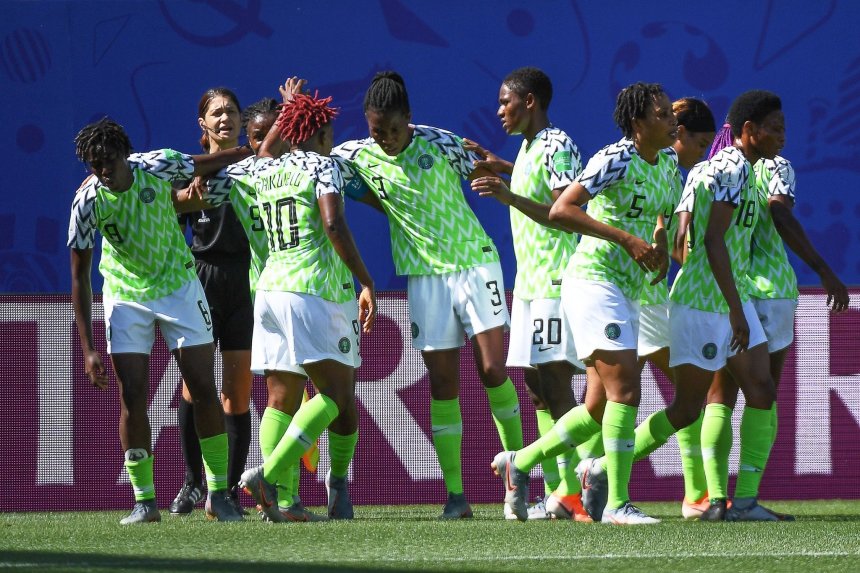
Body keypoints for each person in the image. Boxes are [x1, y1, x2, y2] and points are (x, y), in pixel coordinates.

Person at [579, 90, 785, 522]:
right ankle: (604, 468)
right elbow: (709, 241)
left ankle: (743, 501)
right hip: (705, 303)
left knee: (762, 389)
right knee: (689, 407)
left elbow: (681, 227)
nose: (782, 137)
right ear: (749, 131)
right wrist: (732, 308)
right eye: (775, 129)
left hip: (733, 296)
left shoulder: (736, 169)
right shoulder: (729, 166)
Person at [332, 71, 523, 519]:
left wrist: (505, 179)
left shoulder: (441, 142)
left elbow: (486, 169)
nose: (385, 140)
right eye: (377, 130)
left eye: (393, 130)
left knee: (493, 369)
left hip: (475, 264)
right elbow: (312, 164)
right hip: (424, 277)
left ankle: (521, 478)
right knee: (442, 383)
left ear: (409, 119)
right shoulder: (355, 155)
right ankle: (456, 497)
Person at [491, 82, 677, 524]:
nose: (673, 120)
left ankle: (520, 462)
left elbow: (660, 216)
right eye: (664, 114)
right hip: (593, 281)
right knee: (626, 388)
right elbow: (562, 210)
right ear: (638, 124)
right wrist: (627, 240)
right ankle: (617, 504)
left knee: (595, 408)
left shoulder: (668, 161)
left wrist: (660, 247)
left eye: (671, 113)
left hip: (628, 288)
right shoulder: (615, 158)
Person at [68, 117, 252, 523]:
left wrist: (255, 149)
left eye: (109, 163)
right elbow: (80, 276)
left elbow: (209, 163)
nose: (103, 172)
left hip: (179, 287)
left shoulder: (158, 166)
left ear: (125, 156)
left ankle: (219, 494)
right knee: (132, 395)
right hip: (127, 296)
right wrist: (88, 347)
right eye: (95, 166)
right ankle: (144, 501)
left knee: (203, 387)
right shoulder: (87, 201)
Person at [239, 91, 376, 524]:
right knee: (336, 396)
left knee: (281, 399)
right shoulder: (323, 164)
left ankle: (284, 503)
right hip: (311, 289)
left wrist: (292, 108)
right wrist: (367, 279)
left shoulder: (265, 168)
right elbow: (333, 223)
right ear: (317, 132)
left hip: (269, 290)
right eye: (329, 131)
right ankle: (270, 475)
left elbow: (263, 149)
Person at [465, 67, 589, 522]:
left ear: (530, 101)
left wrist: (508, 197)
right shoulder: (531, 147)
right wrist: (502, 166)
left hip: (556, 280)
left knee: (557, 386)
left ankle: (581, 490)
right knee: (538, 390)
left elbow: (566, 209)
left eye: (505, 102)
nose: (500, 110)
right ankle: (561, 491)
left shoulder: (557, 143)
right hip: (532, 284)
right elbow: (537, 180)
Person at [699, 149, 849, 519]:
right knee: (762, 394)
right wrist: (822, 268)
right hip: (771, 290)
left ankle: (716, 500)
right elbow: (779, 213)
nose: (781, 135)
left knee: (720, 392)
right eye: (775, 126)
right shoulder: (775, 166)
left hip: (730, 288)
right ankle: (747, 499)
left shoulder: (719, 169)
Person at [171, 87, 255, 516]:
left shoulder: (258, 167)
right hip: (201, 281)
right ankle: (191, 482)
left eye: (232, 111)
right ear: (202, 124)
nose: (226, 118)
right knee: (194, 387)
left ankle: (229, 491)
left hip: (246, 284)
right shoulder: (189, 171)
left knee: (237, 393)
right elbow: (168, 221)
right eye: (217, 113)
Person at [635, 97, 716, 519]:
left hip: (640, 292)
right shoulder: (659, 161)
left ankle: (696, 493)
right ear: (679, 134)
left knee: (605, 404)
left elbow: (660, 218)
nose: (702, 156)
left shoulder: (660, 162)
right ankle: (588, 475)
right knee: (687, 399)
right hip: (638, 295)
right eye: (700, 145)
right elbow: (665, 225)